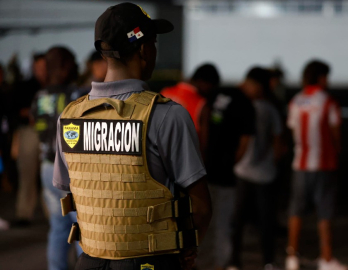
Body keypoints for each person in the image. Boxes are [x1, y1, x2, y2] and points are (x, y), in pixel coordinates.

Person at [53, 3, 212, 270]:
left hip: (89, 261)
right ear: (143, 49)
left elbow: (73, 191)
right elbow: (201, 207)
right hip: (151, 261)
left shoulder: (70, 117)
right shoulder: (166, 115)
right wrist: (187, 249)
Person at [285, 60, 347, 270]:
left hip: (300, 164)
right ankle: (326, 258)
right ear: (321, 78)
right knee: (325, 213)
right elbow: (336, 133)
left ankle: (292, 256)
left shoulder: (296, 101)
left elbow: (294, 132)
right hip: (324, 163)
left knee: (296, 210)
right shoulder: (328, 101)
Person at [197, 63, 255, 270]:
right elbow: (245, 142)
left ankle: (199, 262)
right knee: (224, 222)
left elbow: (204, 121)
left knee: (202, 220)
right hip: (225, 174)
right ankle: (220, 264)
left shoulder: (217, 96)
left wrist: (202, 155)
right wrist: (233, 163)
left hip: (205, 170)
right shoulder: (245, 103)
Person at [30, 46, 82, 270]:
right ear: (63, 66)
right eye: (72, 62)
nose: (77, 66)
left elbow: (35, 124)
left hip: (47, 169)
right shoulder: (76, 95)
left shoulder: (39, 97)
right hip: (71, 171)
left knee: (58, 227)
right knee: (84, 228)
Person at [226, 67, 283, 270]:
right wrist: (273, 162)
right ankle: (268, 261)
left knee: (237, 221)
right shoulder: (270, 108)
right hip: (264, 173)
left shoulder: (242, 105)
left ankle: (234, 261)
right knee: (266, 221)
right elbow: (278, 141)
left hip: (242, 171)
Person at [11, 53, 47, 227]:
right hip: (29, 132)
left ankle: (53, 213)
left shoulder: (52, 84)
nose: (40, 70)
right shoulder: (25, 86)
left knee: (49, 174)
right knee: (27, 173)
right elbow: (16, 109)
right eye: (38, 67)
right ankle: (24, 213)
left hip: (49, 132)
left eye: (43, 66)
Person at [161, 64, 220, 132]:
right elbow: (203, 140)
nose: (210, 92)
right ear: (202, 82)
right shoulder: (201, 103)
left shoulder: (165, 92)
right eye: (211, 88)